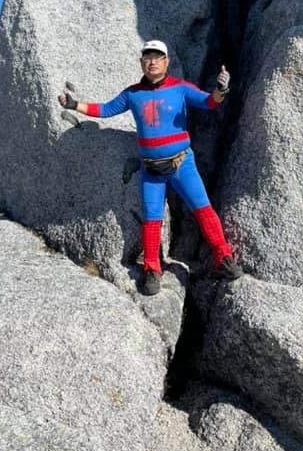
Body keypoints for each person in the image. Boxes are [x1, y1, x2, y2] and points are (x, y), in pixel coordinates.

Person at [58, 40, 243, 294]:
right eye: (147, 57)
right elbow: (106, 109)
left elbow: (210, 102)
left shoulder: (180, 88)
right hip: (151, 170)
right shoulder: (132, 94)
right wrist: (74, 105)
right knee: (152, 220)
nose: (152, 61)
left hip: (182, 164)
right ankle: (153, 270)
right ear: (141, 63)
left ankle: (224, 257)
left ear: (166, 62)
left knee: (203, 209)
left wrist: (221, 89)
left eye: (157, 57)